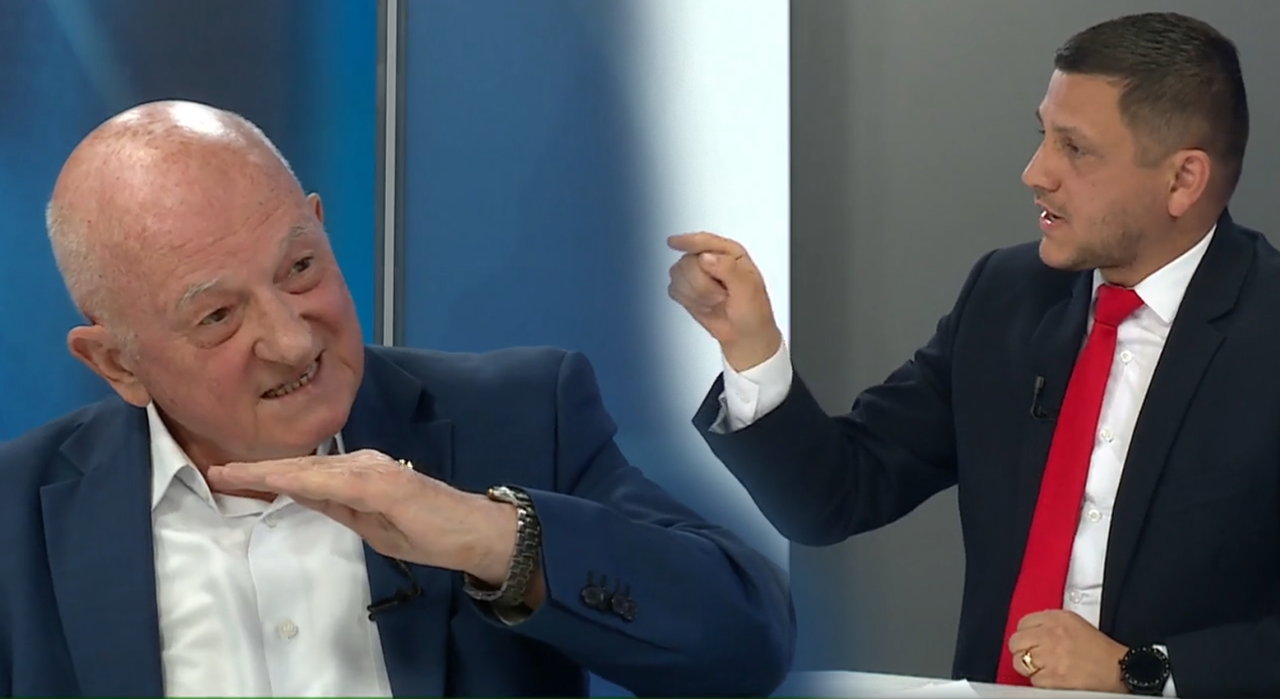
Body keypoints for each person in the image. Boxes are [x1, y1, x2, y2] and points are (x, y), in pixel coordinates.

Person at [0, 100, 796, 698]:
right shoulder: (15, 519)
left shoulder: (517, 419)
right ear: (117, 362)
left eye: (300, 269)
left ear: (320, 227)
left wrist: (499, 542)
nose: (293, 341)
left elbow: (747, 642)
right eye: (217, 317)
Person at [669, 11, 1279, 699]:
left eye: (1075, 149)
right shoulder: (1006, 297)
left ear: (1183, 180)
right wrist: (752, 346)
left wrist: (1138, 670)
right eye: (1043, 135)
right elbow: (833, 494)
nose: (1035, 173)